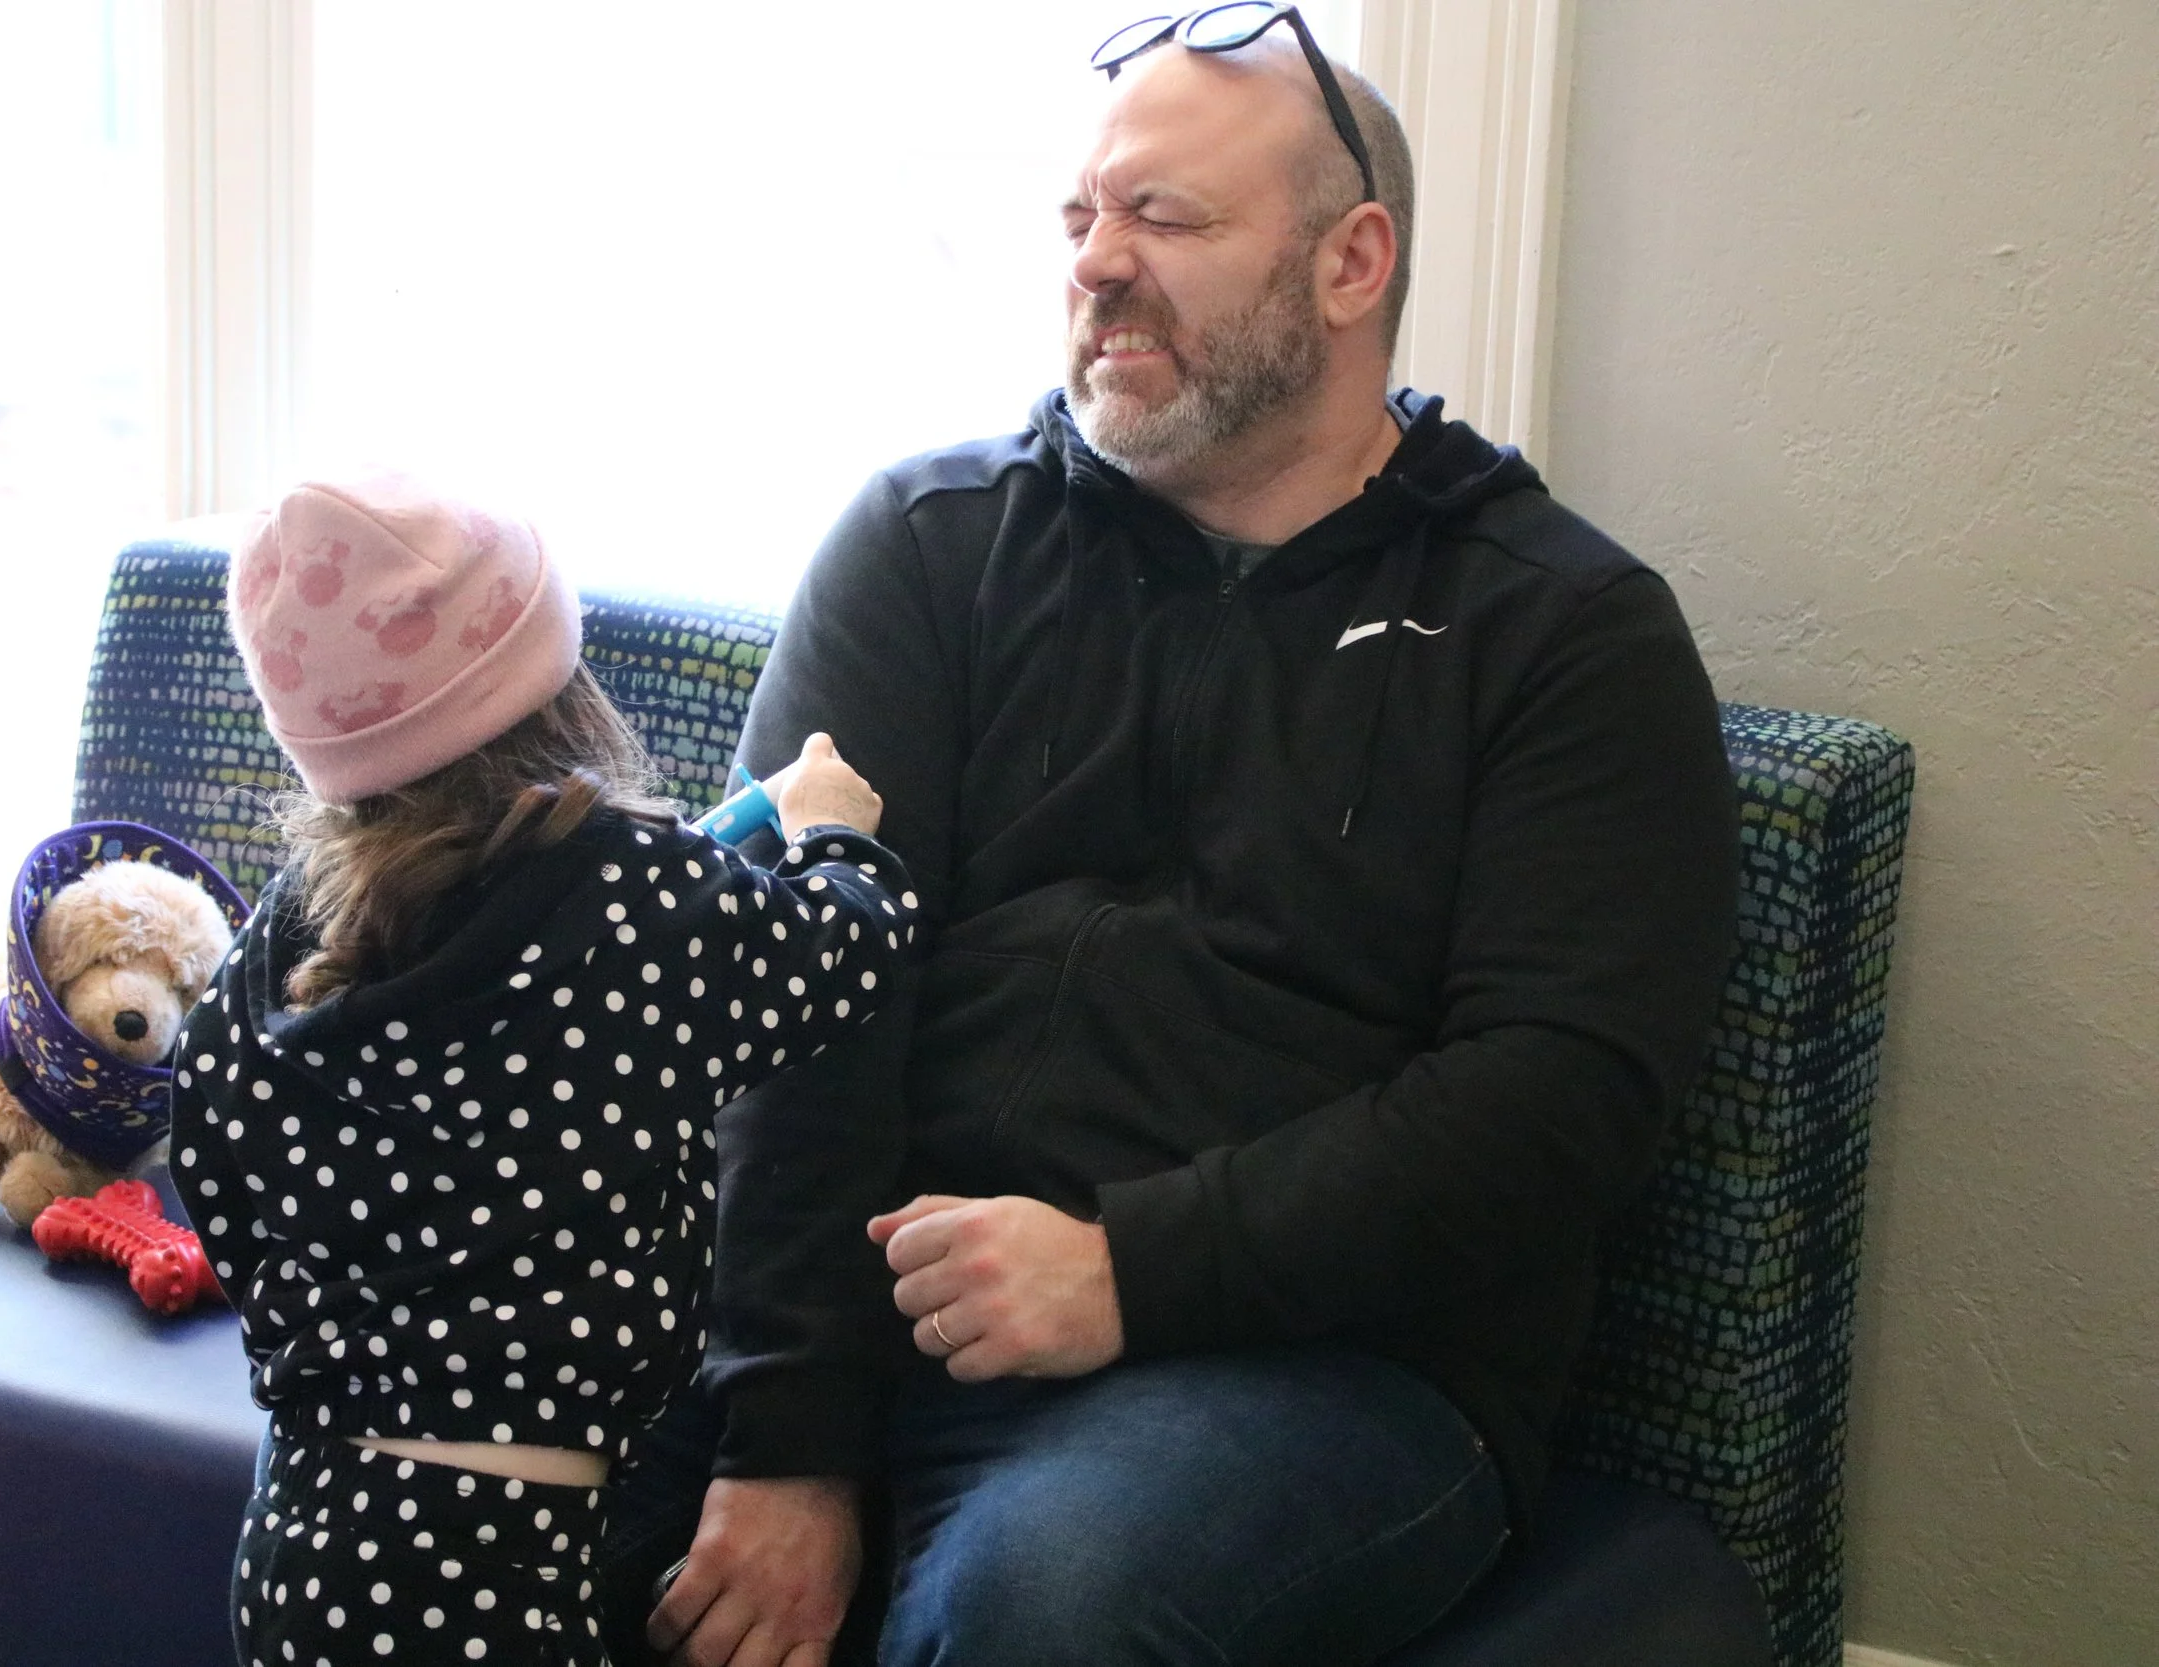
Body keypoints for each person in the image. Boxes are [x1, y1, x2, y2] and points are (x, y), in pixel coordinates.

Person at [608, 12, 1737, 1667]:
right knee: (447, 1458)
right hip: (867, 1307)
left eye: (1170, 220)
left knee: (1044, 1606)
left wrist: (1132, 1266)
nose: (1099, 267)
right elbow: (783, 992)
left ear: (1355, 263)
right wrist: (789, 1429)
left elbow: (1562, 1097)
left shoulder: (1562, 631)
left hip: (1316, 1369)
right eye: (1082, 220)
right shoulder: (931, 544)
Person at [172, 471, 923, 1666]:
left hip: (304, 1529)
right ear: (551, 686)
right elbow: (847, 950)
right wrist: (835, 829)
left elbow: (210, 1154)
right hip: (496, 1553)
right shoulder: (632, 899)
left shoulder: (284, 939)